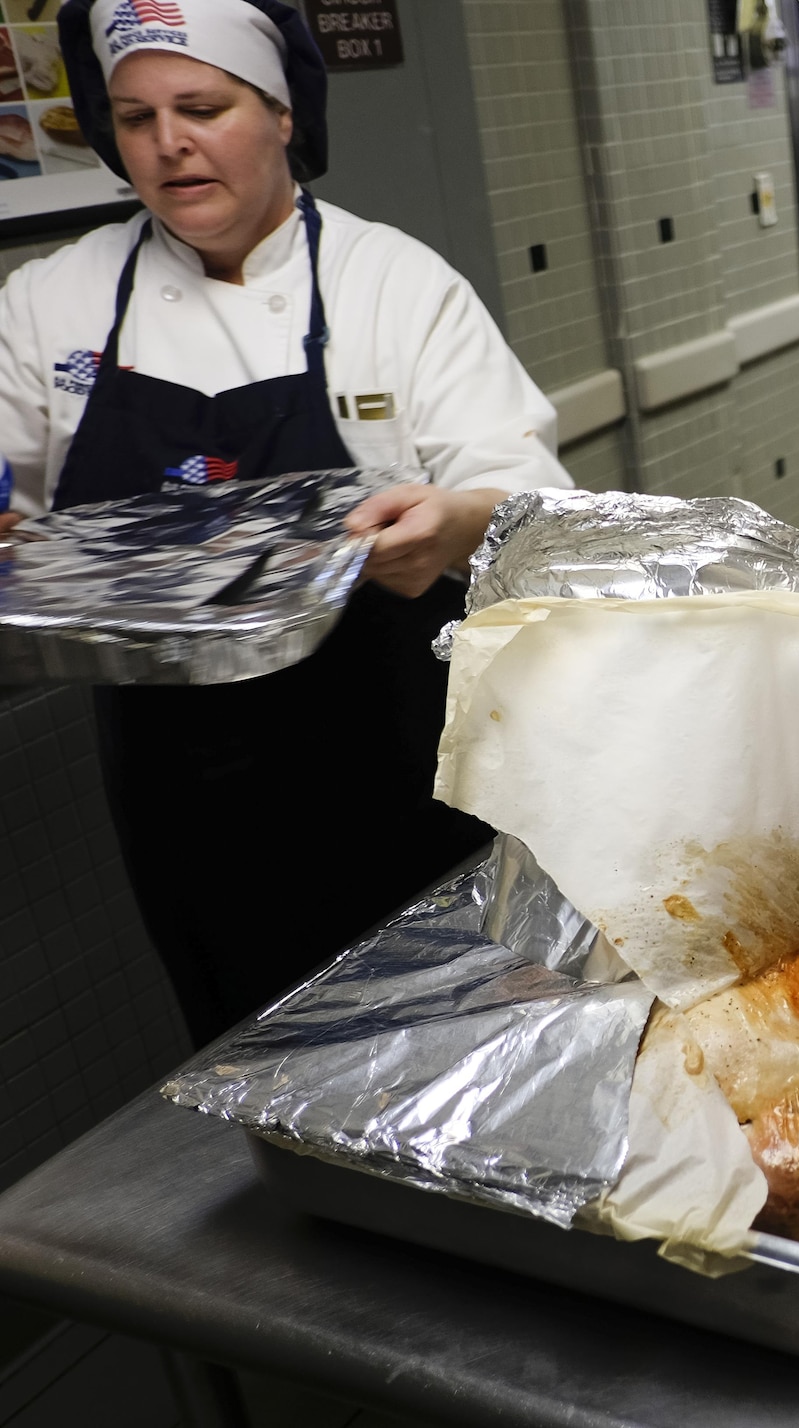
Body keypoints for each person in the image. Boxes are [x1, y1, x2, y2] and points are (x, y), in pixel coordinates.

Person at [0, 0, 571, 1044]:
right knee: (246, 1028)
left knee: (450, 1031)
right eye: (134, 118)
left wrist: (455, 521)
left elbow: (524, 497)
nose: (169, 143)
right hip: (176, 776)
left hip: (392, 749)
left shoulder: (388, 284)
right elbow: (14, 508)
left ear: (280, 115)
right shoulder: (53, 301)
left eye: (203, 107)